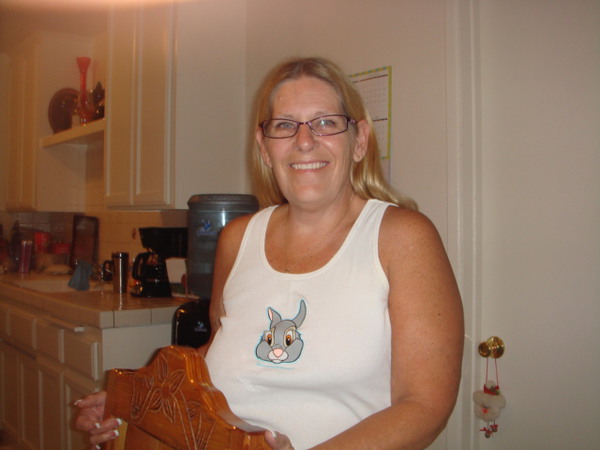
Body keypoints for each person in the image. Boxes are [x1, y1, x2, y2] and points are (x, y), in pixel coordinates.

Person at [75, 56, 464, 450]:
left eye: (326, 122)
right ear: (264, 148)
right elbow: (224, 351)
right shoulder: (236, 239)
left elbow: (425, 406)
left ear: (360, 140)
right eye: (284, 125)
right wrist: (135, 402)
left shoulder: (402, 237)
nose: (304, 141)